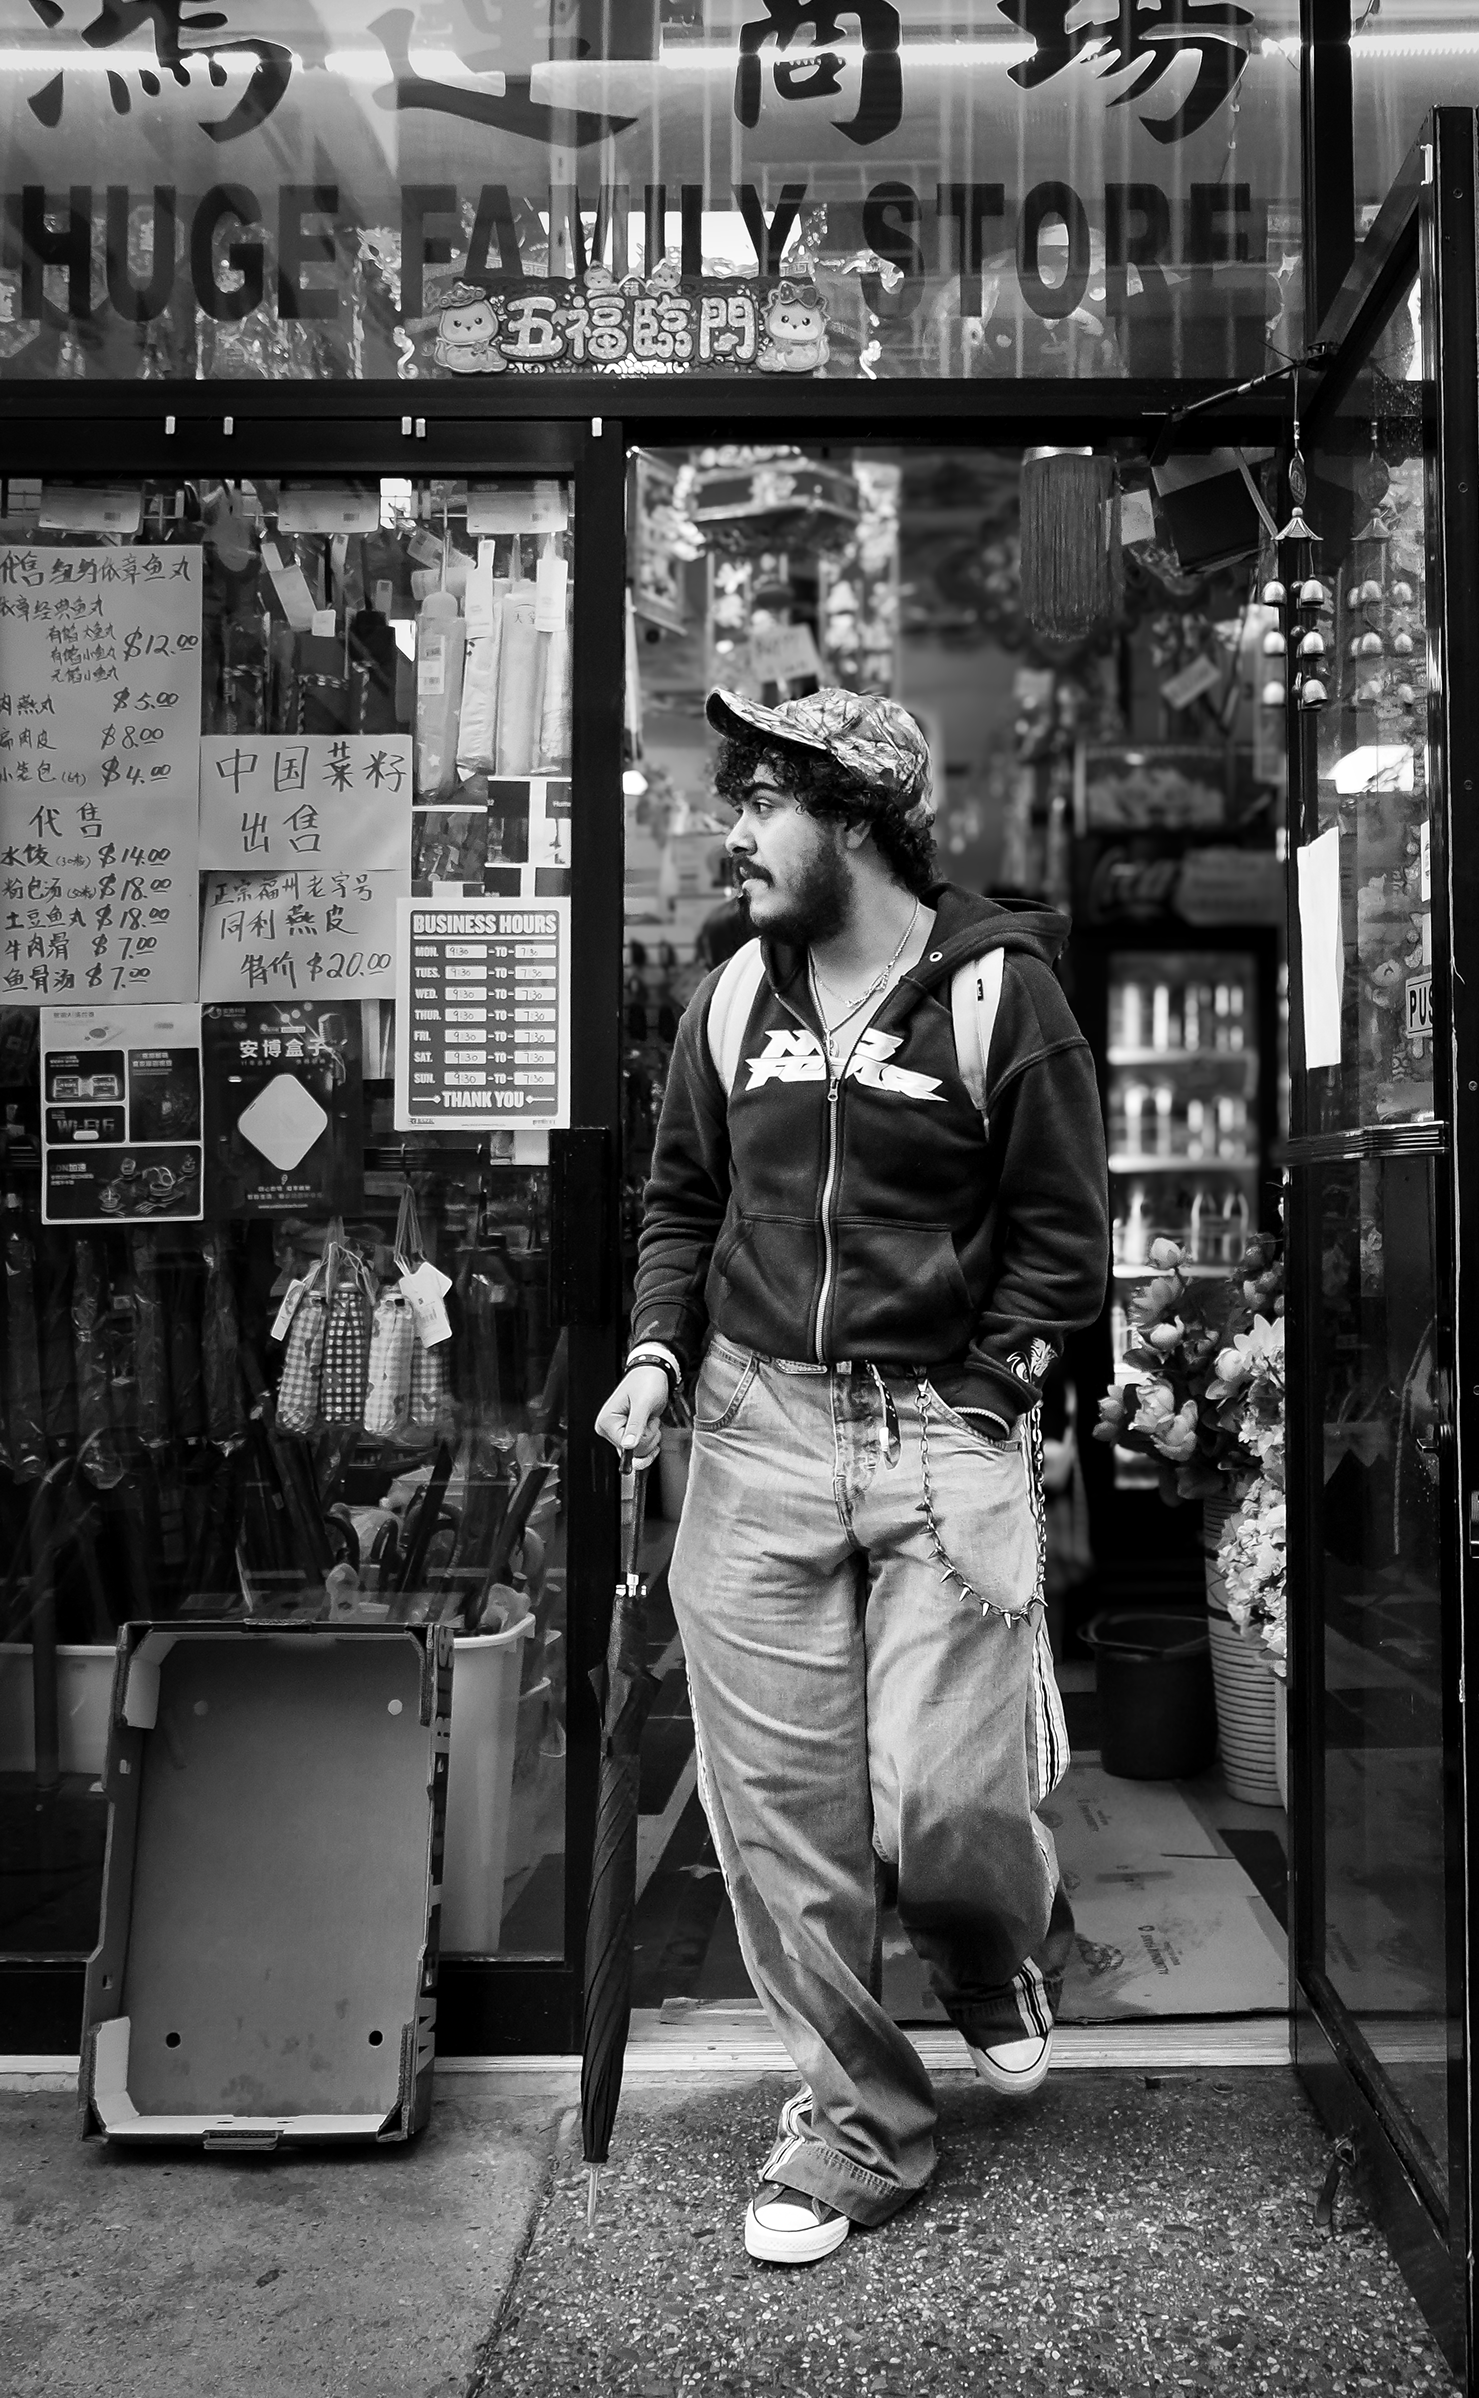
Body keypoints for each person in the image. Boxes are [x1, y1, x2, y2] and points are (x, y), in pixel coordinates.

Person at [596, 686, 1109, 2267]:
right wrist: (656, 1356)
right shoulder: (730, 997)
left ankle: (990, 1941)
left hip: (938, 1428)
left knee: (947, 1796)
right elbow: (683, 1201)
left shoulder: (1000, 993)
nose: (732, 834)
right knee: (784, 1827)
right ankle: (860, 2129)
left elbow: (1063, 1240)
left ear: (859, 821)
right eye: (735, 802)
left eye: (762, 803)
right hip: (753, 1425)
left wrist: (990, 1394)